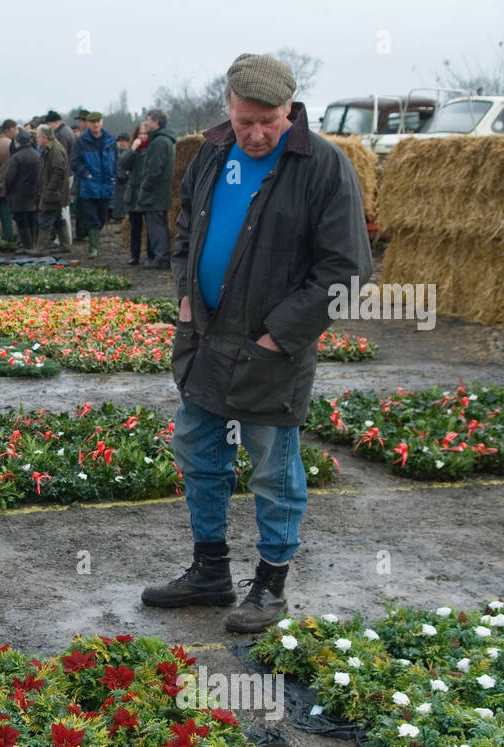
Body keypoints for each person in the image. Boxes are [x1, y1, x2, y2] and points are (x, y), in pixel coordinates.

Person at [142, 53, 373, 632]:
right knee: (200, 452)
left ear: (290, 108)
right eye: (246, 120)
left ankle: (270, 583)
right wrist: (186, 295)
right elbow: (187, 230)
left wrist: (278, 335)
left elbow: (347, 271)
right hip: (205, 339)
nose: (257, 132)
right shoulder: (213, 154)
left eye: (269, 119)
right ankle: (210, 570)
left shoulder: (321, 166)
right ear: (228, 108)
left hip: (271, 351)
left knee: (273, 466)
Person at [70, 110, 117, 258]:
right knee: (92, 218)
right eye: (92, 122)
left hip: (106, 184)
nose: (96, 125)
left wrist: (115, 175)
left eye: (98, 122)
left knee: (102, 217)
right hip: (89, 185)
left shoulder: (110, 140)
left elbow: (116, 160)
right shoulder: (82, 142)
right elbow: (75, 162)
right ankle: (93, 248)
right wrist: (85, 173)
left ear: (102, 122)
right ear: (88, 124)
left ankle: (95, 240)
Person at [136, 109, 175, 268]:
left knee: (156, 226)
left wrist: (144, 188)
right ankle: (160, 256)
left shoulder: (159, 142)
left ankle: (161, 258)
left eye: (148, 120)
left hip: (155, 193)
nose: (146, 124)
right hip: (161, 192)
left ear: (156, 122)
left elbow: (154, 171)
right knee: (159, 224)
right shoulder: (164, 140)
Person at [30, 124, 71, 254]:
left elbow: (58, 173)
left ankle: (40, 248)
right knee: (58, 219)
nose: (36, 140)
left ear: (44, 138)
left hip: (53, 193)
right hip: (53, 192)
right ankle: (65, 245)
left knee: (45, 219)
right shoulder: (50, 149)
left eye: (37, 137)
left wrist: (49, 191)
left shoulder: (56, 151)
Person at [120, 118, 153, 264]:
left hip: (147, 193)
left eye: (145, 134)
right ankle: (134, 255)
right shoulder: (134, 150)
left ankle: (151, 255)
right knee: (135, 228)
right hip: (134, 194)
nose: (143, 137)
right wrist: (132, 149)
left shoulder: (153, 149)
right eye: (140, 134)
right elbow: (123, 164)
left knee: (151, 227)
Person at [3, 130, 40, 252]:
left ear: (17, 142)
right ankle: (33, 244)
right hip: (34, 192)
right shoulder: (36, 154)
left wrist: (7, 191)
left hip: (18, 194)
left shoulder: (16, 157)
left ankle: (26, 245)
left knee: (21, 220)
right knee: (32, 218)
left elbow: (10, 178)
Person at [111, 133, 131, 223]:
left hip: (127, 179)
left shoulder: (130, 152)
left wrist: (127, 174)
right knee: (117, 198)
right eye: (120, 141)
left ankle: (125, 215)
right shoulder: (115, 153)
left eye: (125, 141)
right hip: (117, 179)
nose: (122, 143)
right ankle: (117, 215)